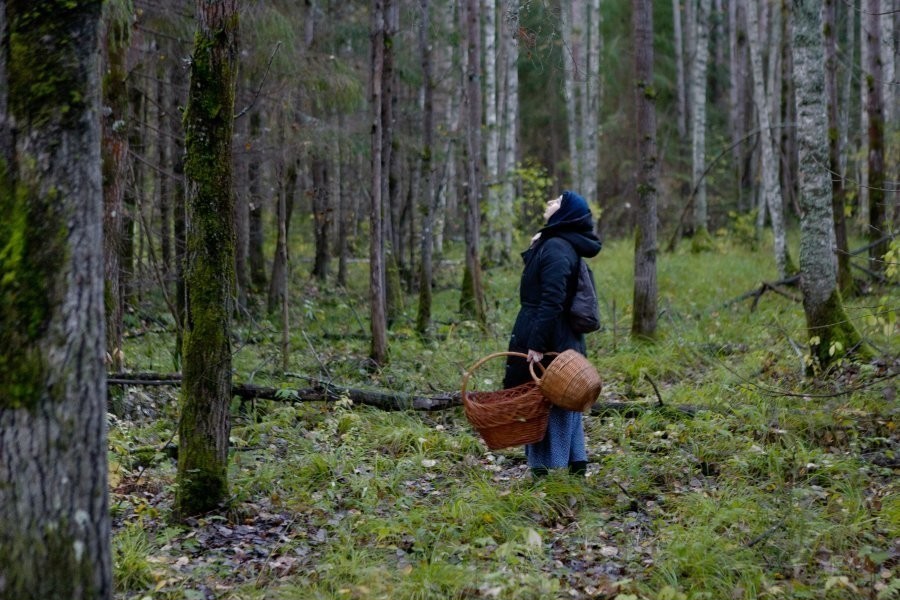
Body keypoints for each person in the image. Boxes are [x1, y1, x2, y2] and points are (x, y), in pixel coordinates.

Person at [504, 190, 602, 478]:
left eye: (556, 202)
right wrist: (537, 245)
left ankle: (550, 472)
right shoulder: (554, 244)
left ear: (565, 214)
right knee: (560, 399)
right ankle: (572, 467)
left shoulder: (558, 247)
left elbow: (552, 300)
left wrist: (536, 343)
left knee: (552, 402)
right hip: (554, 334)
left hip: (552, 337)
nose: (549, 203)